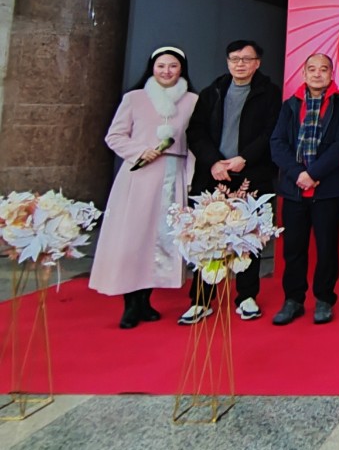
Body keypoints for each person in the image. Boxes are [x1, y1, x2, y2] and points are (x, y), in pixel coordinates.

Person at [89, 46, 199, 329]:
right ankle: (130, 304)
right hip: (139, 176)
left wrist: (190, 177)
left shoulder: (192, 101)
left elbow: (195, 142)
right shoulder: (134, 98)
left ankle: (146, 299)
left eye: (173, 66)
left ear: (182, 69)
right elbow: (115, 136)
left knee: (162, 239)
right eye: (161, 66)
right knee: (133, 237)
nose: (166, 71)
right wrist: (140, 151)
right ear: (152, 67)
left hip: (173, 176)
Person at [180, 39, 281, 325]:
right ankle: (201, 299)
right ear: (227, 62)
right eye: (235, 59)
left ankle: (246, 296)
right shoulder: (212, 91)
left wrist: (244, 158)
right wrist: (213, 161)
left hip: (252, 175)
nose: (240, 64)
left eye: (246, 59)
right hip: (213, 175)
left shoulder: (270, 93)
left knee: (250, 237)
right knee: (207, 237)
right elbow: (196, 131)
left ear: (257, 63)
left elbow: (271, 132)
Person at [269, 53, 339, 326]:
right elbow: (277, 143)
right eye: (312, 69)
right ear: (304, 74)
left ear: (331, 74)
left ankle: (324, 298)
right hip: (294, 188)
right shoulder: (290, 105)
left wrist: (313, 174)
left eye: (323, 69)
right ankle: (293, 300)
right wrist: (298, 174)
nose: (318, 74)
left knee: (327, 247)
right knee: (293, 248)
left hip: (326, 189)